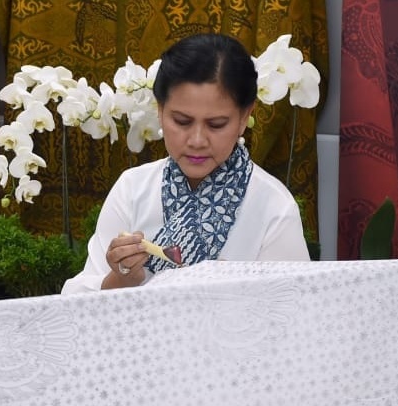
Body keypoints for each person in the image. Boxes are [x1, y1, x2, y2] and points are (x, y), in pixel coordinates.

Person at [61, 33, 310, 294]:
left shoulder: (273, 207)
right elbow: (77, 305)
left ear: (244, 117)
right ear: (160, 110)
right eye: (181, 121)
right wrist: (121, 278)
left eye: (216, 125)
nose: (197, 140)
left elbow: (289, 313)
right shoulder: (132, 189)